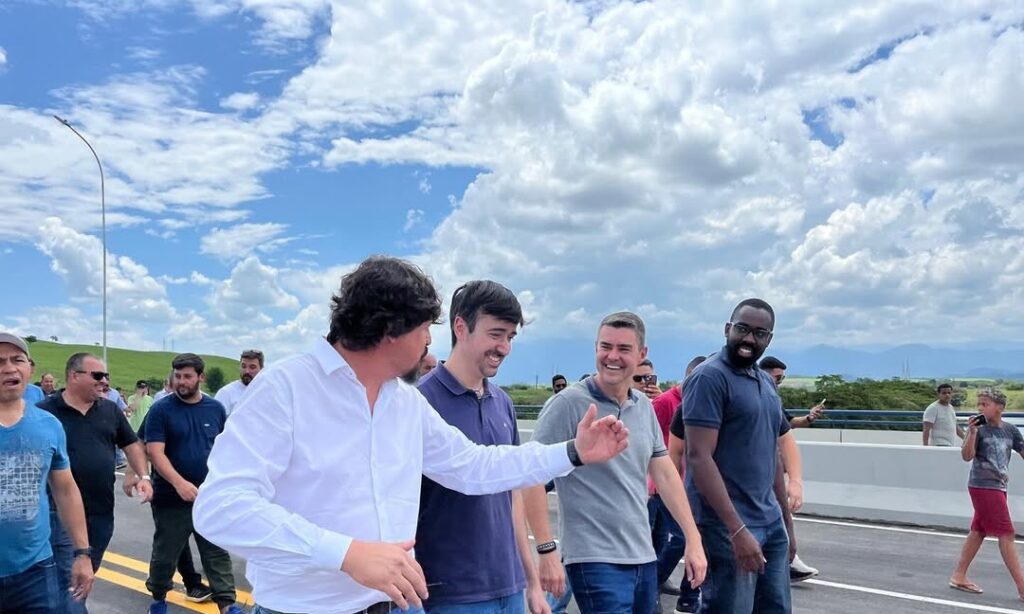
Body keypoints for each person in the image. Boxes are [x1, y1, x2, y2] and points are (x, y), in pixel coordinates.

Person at [192, 255, 630, 614]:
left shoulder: (403, 402)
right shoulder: (285, 388)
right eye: (424, 329)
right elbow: (221, 507)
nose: (428, 343)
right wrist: (345, 553)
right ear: (389, 330)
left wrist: (572, 452)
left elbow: (472, 466)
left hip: (400, 605)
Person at [525, 312, 706, 614]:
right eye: (605, 347)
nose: (612, 356)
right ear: (595, 348)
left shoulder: (643, 406)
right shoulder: (568, 404)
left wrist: (693, 538)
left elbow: (665, 474)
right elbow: (530, 476)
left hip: (642, 555)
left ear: (641, 354)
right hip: (593, 557)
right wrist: (546, 550)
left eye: (623, 349)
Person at [415, 280, 548, 613]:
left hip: (509, 587)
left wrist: (531, 582)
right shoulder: (419, 402)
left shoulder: (502, 402)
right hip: (449, 594)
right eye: (496, 334)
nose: (504, 348)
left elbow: (513, 495)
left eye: (510, 337)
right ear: (461, 327)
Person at [683, 298, 794, 613]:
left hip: (770, 520)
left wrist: (786, 523)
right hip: (726, 525)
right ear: (727, 329)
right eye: (742, 329)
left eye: (759, 333)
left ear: (768, 339)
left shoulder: (766, 383)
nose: (749, 339)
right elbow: (698, 457)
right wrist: (737, 530)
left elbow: (772, 455)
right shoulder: (709, 378)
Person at [37, 352, 154, 614]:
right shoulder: (45, 412)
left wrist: (143, 476)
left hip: (101, 513)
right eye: (98, 375)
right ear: (74, 376)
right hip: (58, 514)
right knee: (69, 582)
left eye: (106, 376)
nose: (105, 381)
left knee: (85, 575)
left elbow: (131, 443)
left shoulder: (109, 410)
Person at [0, 333, 94, 613]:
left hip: (35, 571)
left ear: (30, 369)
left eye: (17, 360)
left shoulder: (48, 425)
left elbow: (65, 490)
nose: (9, 368)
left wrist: (82, 553)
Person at [144, 353, 241, 614]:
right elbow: (155, 452)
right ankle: (158, 600)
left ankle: (227, 604)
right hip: (171, 498)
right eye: (177, 376)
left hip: (208, 497)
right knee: (166, 553)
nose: (181, 382)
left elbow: (224, 449)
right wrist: (179, 483)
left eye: (187, 376)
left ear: (201, 377)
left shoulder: (215, 409)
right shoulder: (161, 410)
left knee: (216, 551)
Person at [949, 388, 1024, 600]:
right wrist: (972, 433)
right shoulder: (978, 430)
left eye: (985, 404)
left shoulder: (1011, 431)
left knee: (978, 531)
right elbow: (967, 456)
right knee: (1006, 534)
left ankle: (959, 575)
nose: (980, 408)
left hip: (999, 486)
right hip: (983, 486)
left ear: (1000, 408)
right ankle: (1022, 587)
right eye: (979, 404)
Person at [757, 356, 819, 583]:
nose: (779, 382)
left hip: (770, 468)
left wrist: (810, 418)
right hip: (755, 470)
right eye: (777, 378)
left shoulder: (771, 398)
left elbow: (787, 426)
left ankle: (786, 561)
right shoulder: (754, 395)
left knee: (780, 514)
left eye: (782, 378)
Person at [656, 355, 706, 611]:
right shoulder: (666, 402)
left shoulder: (704, 403)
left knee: (695, 542)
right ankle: (654, 580)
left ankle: (689, 597)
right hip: (667, 483)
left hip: (695, 486)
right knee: (680, 539)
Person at [214, 350, 264, 417]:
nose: (247, 371)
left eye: (252, 367)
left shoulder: (267, 392)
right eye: (243, 366)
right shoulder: (226, 393)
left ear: (261, 369)